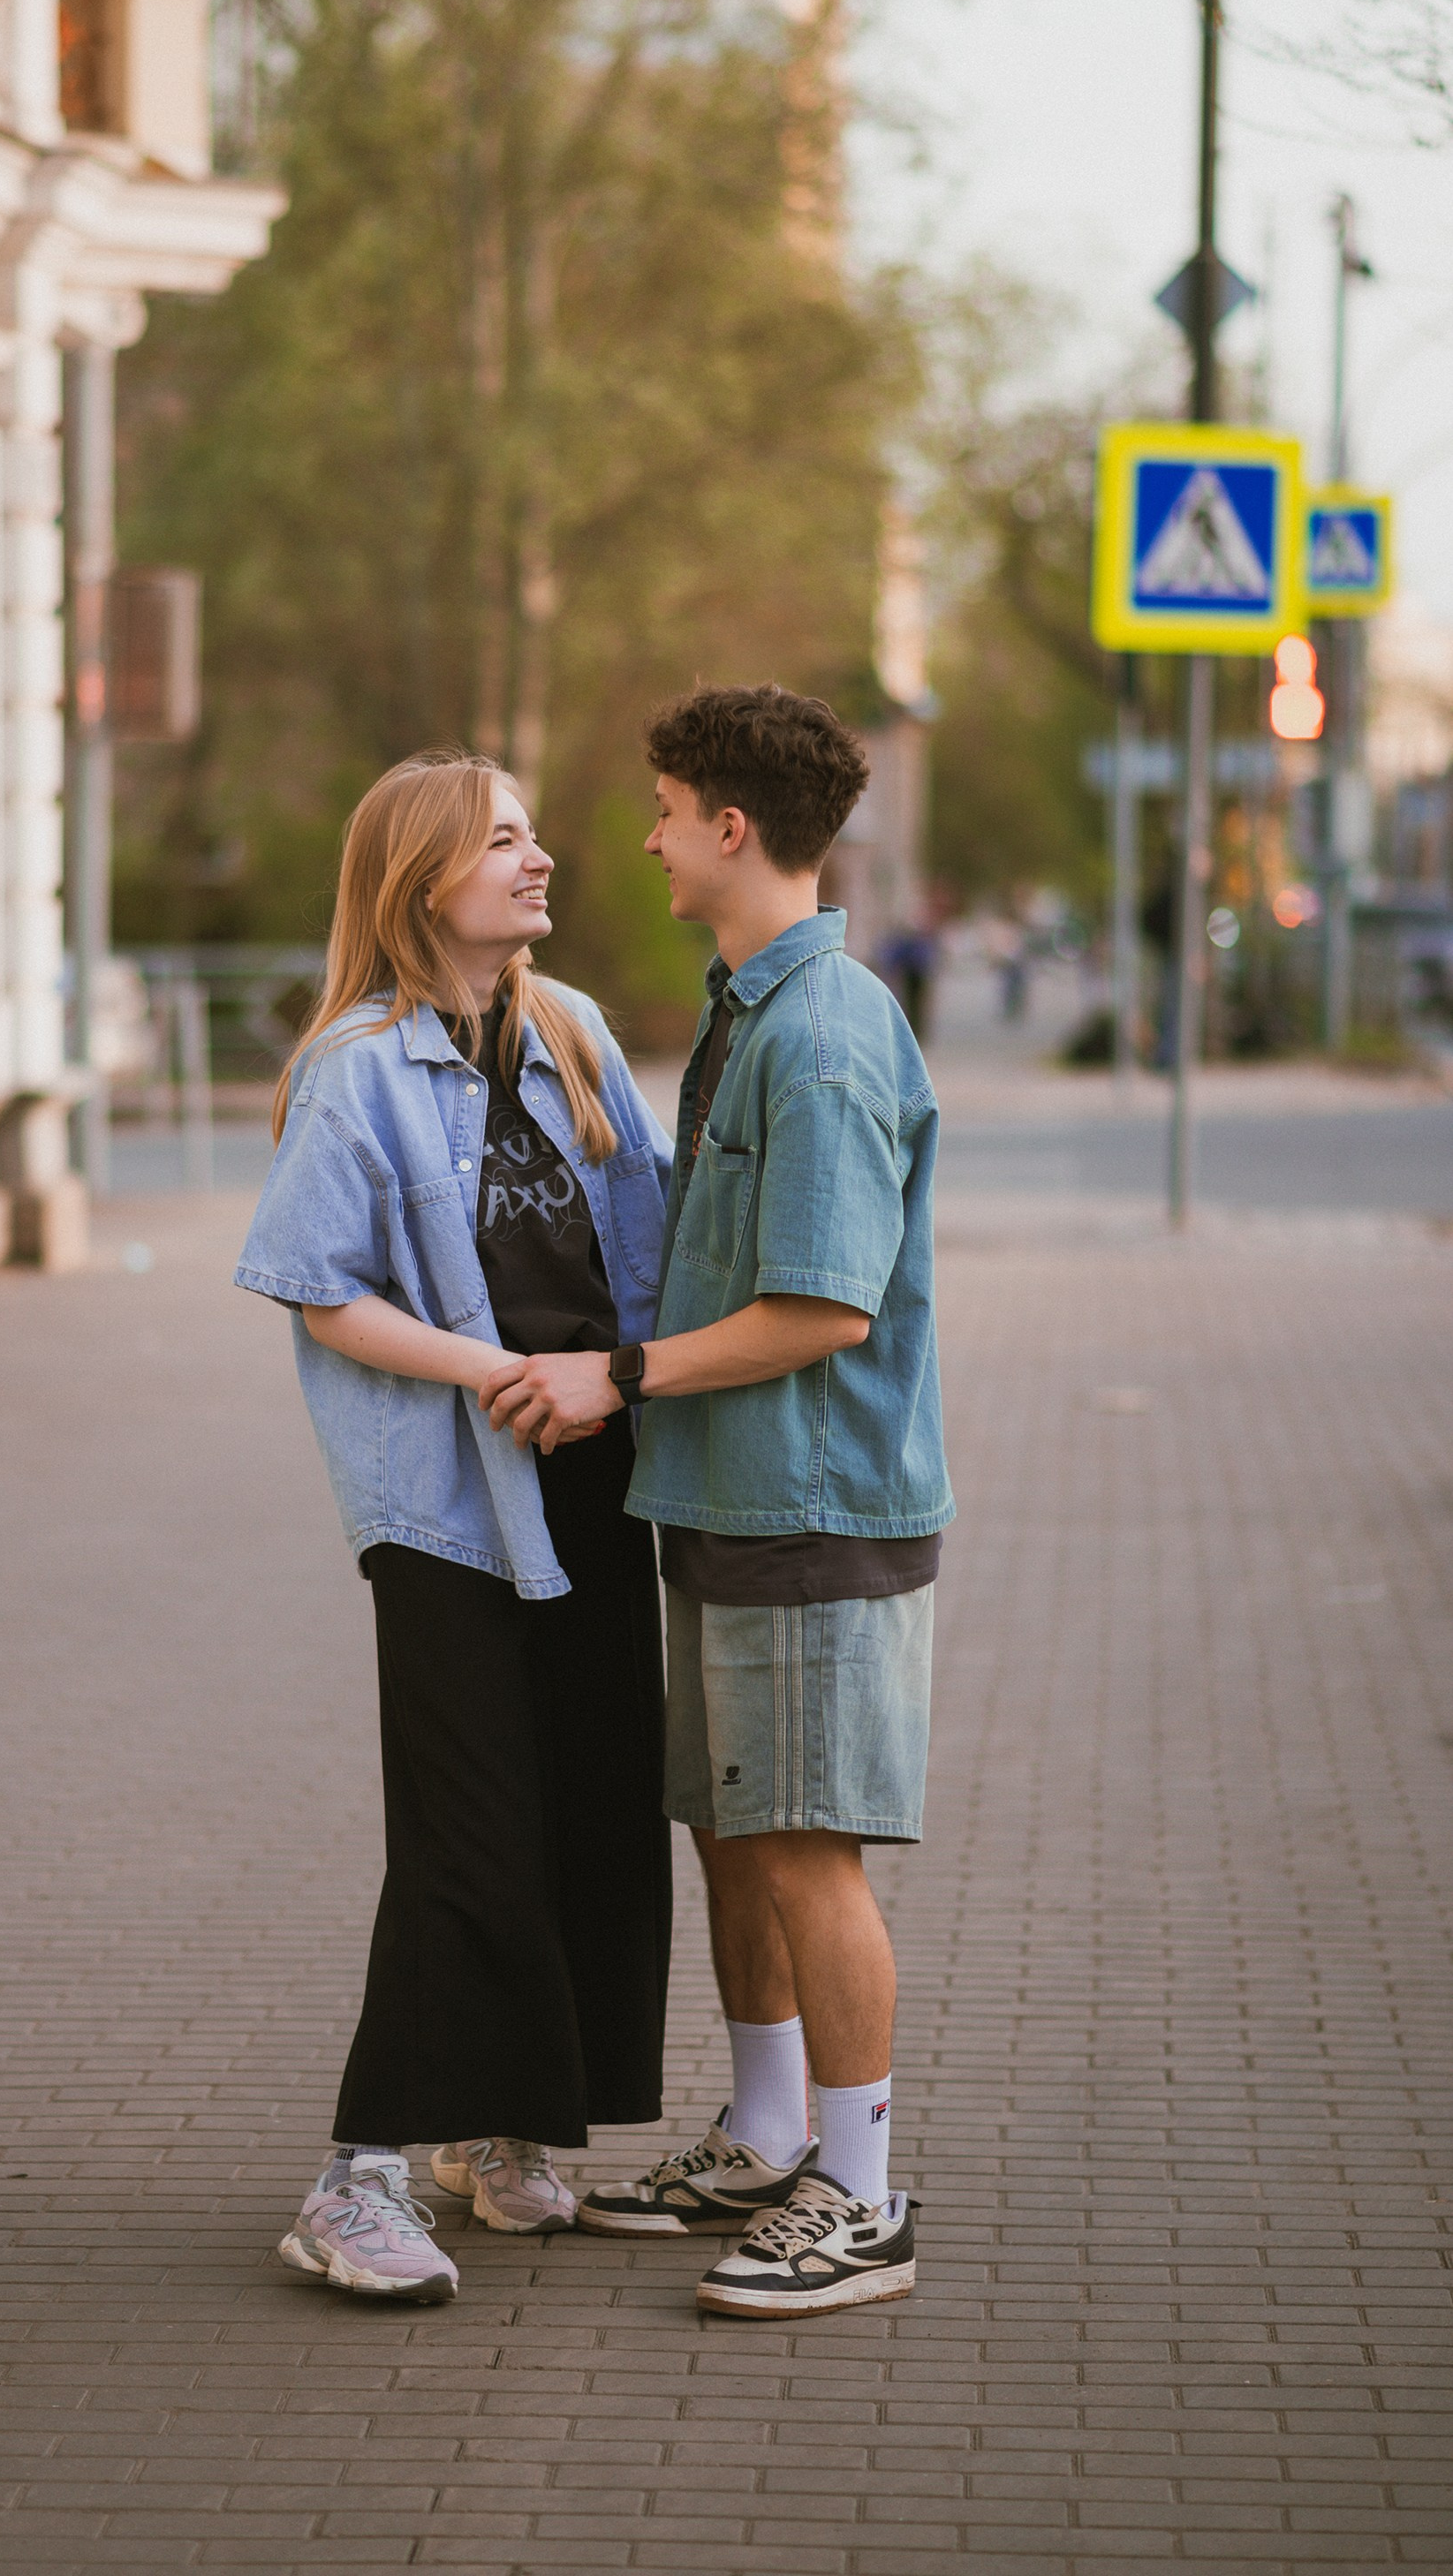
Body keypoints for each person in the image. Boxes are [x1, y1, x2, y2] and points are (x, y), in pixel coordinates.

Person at [487, 684, 953, 2321]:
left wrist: (617, 1376)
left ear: (733, 828)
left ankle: (862, 2197)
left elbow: (822, 1309)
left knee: (808, 1851)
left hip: (812, 1511)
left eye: (670, 813)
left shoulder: (820, 1040)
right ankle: (767, 2140)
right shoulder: (752, 1009)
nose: (650, 840)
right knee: (738, 1830)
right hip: (730, 1500)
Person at [235, 749, 674, 2306]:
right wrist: (492, 1371)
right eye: (504, 840)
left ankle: (497, 2132)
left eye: (535, 833)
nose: (541, 858)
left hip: (598, 1481)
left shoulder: (575, 1034)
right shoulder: (358, 1066)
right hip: (444, 1500)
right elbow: (318, 1287)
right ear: (423, 880)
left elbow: (650, 1250)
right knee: (468, 1830)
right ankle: (354, 2179)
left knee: (589, 1811)